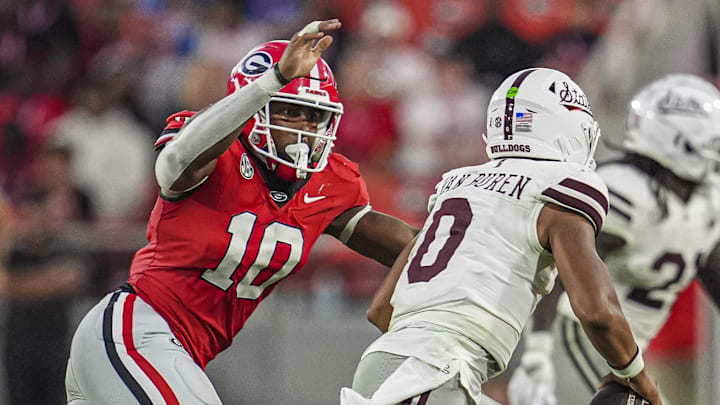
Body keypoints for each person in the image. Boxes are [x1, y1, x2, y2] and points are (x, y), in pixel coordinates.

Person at [64, 19, 417, 404]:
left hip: (177, 353)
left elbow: (414, 248)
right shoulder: (215, 152)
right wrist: (275, 78)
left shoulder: (331, 183)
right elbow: (174, 163)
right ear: (254, 105)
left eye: (315, 117)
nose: (305, 129)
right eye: (289, 112)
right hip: (137, 330)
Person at [340, 68, 663, 405]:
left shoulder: (459, 184)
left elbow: (381, 310)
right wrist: (638, 377)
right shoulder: (561, 185)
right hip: (432, 373)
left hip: (387, 368)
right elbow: (597, 311)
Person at [507, 74, 720, 405]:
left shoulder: (703, 205)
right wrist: (537, 350)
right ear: (681, 140)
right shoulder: (623, 191)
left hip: (624, 353)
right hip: (578, 336)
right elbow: (554, 266)